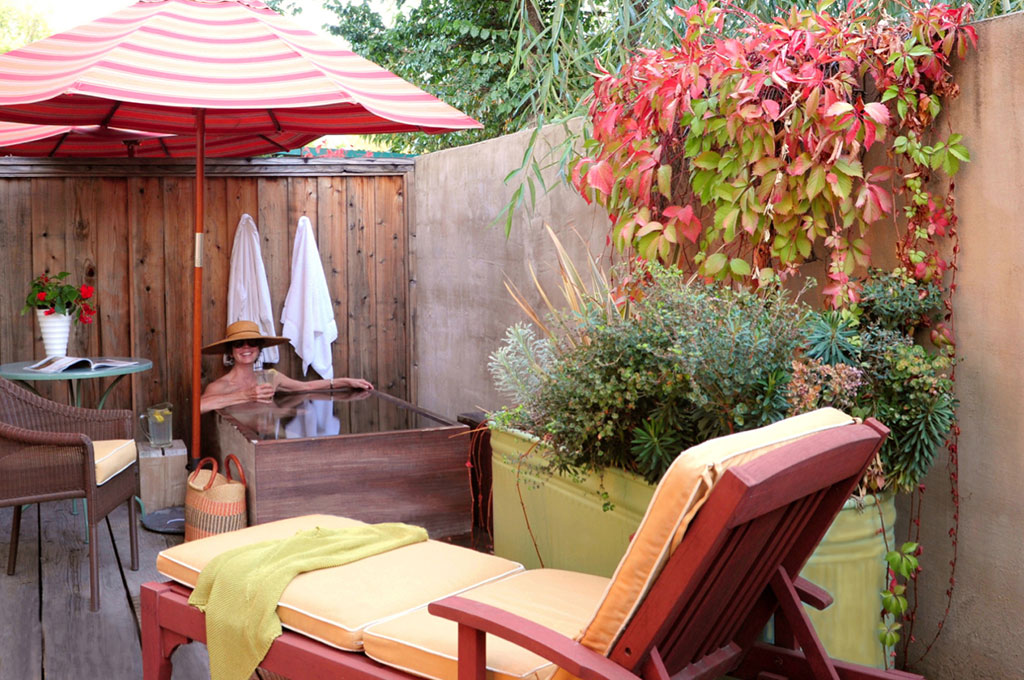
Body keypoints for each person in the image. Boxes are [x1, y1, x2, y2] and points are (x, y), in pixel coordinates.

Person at [199, 320, 373, 413]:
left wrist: (346, 381)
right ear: (230, 351)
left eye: (252, 342)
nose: (246, 348)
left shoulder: (270, 377)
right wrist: (246, 395)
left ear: (259, 348)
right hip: (241, 446)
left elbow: (306, 387)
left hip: (272, 439)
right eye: (238, 344)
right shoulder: (221, 386)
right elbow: (200, 407)